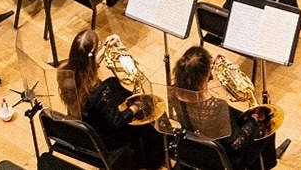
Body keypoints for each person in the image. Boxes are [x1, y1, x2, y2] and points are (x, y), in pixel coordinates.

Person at [57, 32, 168, 168]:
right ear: (91, 56)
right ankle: (154, 159)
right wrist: (137, 105)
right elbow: (118, 121)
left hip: (89, 123)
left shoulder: (65, 71)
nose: (102, 49)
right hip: (107, 140)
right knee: (147, 117)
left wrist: (109, 46)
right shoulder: (98, 91)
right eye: (99, 46)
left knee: (115, 85)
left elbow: (90, 63)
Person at [168, 46, 278, 170]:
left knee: (239, 115)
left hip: (194, 143)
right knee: (267, 125)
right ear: (205, 75)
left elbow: (194, 67)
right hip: (223, 160)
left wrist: (212, 61)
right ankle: (265, 165)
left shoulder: (173, 92)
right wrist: (255, 118)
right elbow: (238, 143)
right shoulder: (217, 107)